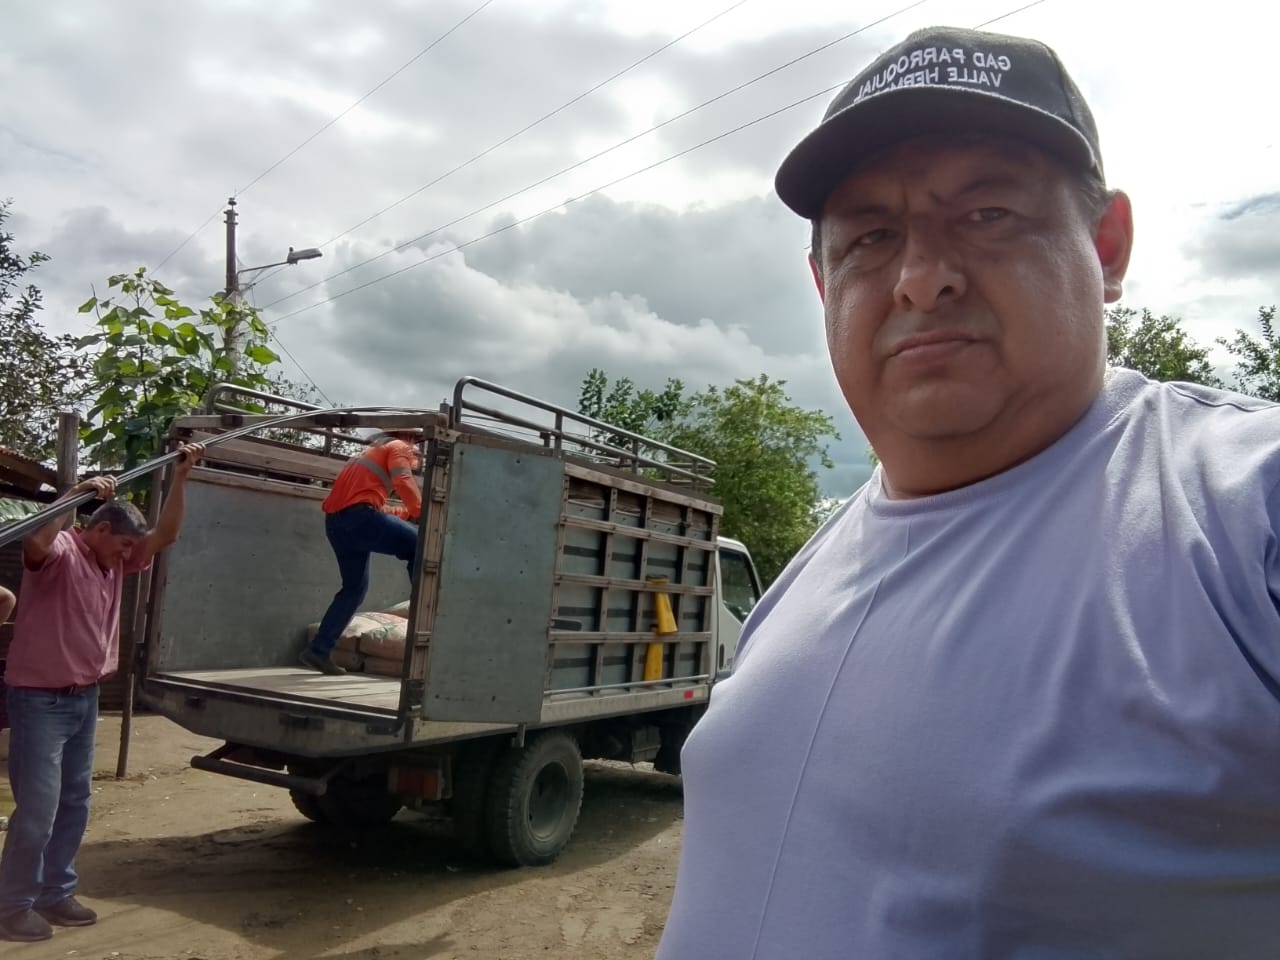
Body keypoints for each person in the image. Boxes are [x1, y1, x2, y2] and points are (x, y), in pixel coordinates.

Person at [657, 24, 1280, 959]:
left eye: (988, 214)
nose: (921, 279)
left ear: (1107, 246)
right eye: (871, 237)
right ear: (824, 284)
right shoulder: (803, 578)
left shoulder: (1242, 507)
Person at [0, 442, 205, 943]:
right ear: (100, 530)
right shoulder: (60, 549)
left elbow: (165, 535)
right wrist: (75, 493)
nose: (130, 556)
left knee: (75, 801)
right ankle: (11, 906)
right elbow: (34, 541)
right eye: (123, 545)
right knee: (39, 808)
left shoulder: (114, 562)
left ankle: (55, 892)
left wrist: (181, 477)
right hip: (39, 700)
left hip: (84, 698)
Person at [300, 430, 424, 674]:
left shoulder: (369, 452)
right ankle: (423, 609)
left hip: (337, 523)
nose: (418, 453)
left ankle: (318, 650)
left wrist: (406, 514)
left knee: (354, 588)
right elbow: (403, 480)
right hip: (360, 519)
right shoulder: (400, 446)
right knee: (421, 545)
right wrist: (421, 511)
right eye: (418, 446)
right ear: (410, 438)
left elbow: (370, 507)